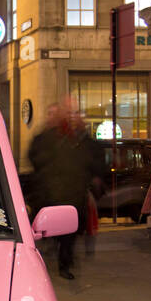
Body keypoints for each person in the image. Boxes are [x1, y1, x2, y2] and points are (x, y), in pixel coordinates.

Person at [27, 105, 100, 280]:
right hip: (50, 195)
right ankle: (54, 258)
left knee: (68, 235)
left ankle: (64, 263)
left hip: (70, 195)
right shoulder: (46, 139)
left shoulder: (75, 139)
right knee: (52, 233)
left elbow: (89, 161)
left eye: (74, 113)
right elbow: (36, 160)